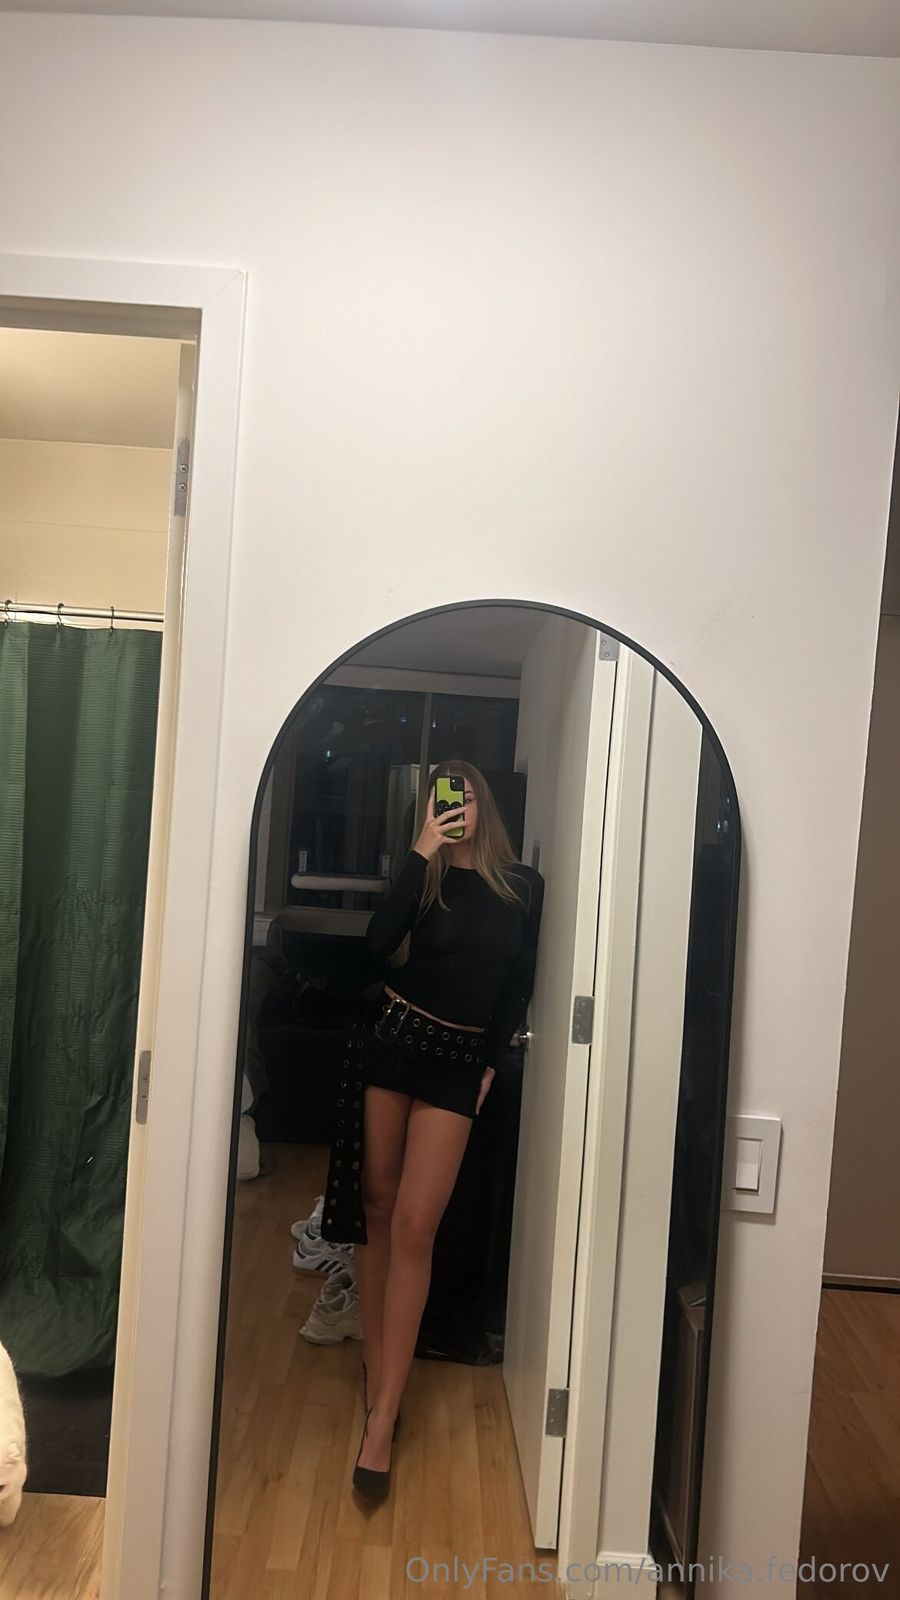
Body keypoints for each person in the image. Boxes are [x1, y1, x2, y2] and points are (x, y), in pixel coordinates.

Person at [319, 760, 544, 1504]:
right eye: (444, 796)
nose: (457, 806)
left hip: (456, 1065)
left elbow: (517, 985)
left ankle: (384, 1413)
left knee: (416, 1227)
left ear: (486, 804)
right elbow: (377, 945)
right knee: (378, 1210)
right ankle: (380, 1385)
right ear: (429, 806)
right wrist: (421, 851)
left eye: (467, 794)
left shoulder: (522, 887)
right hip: (393, 1043)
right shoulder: (425, 875)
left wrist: (491, 1060)